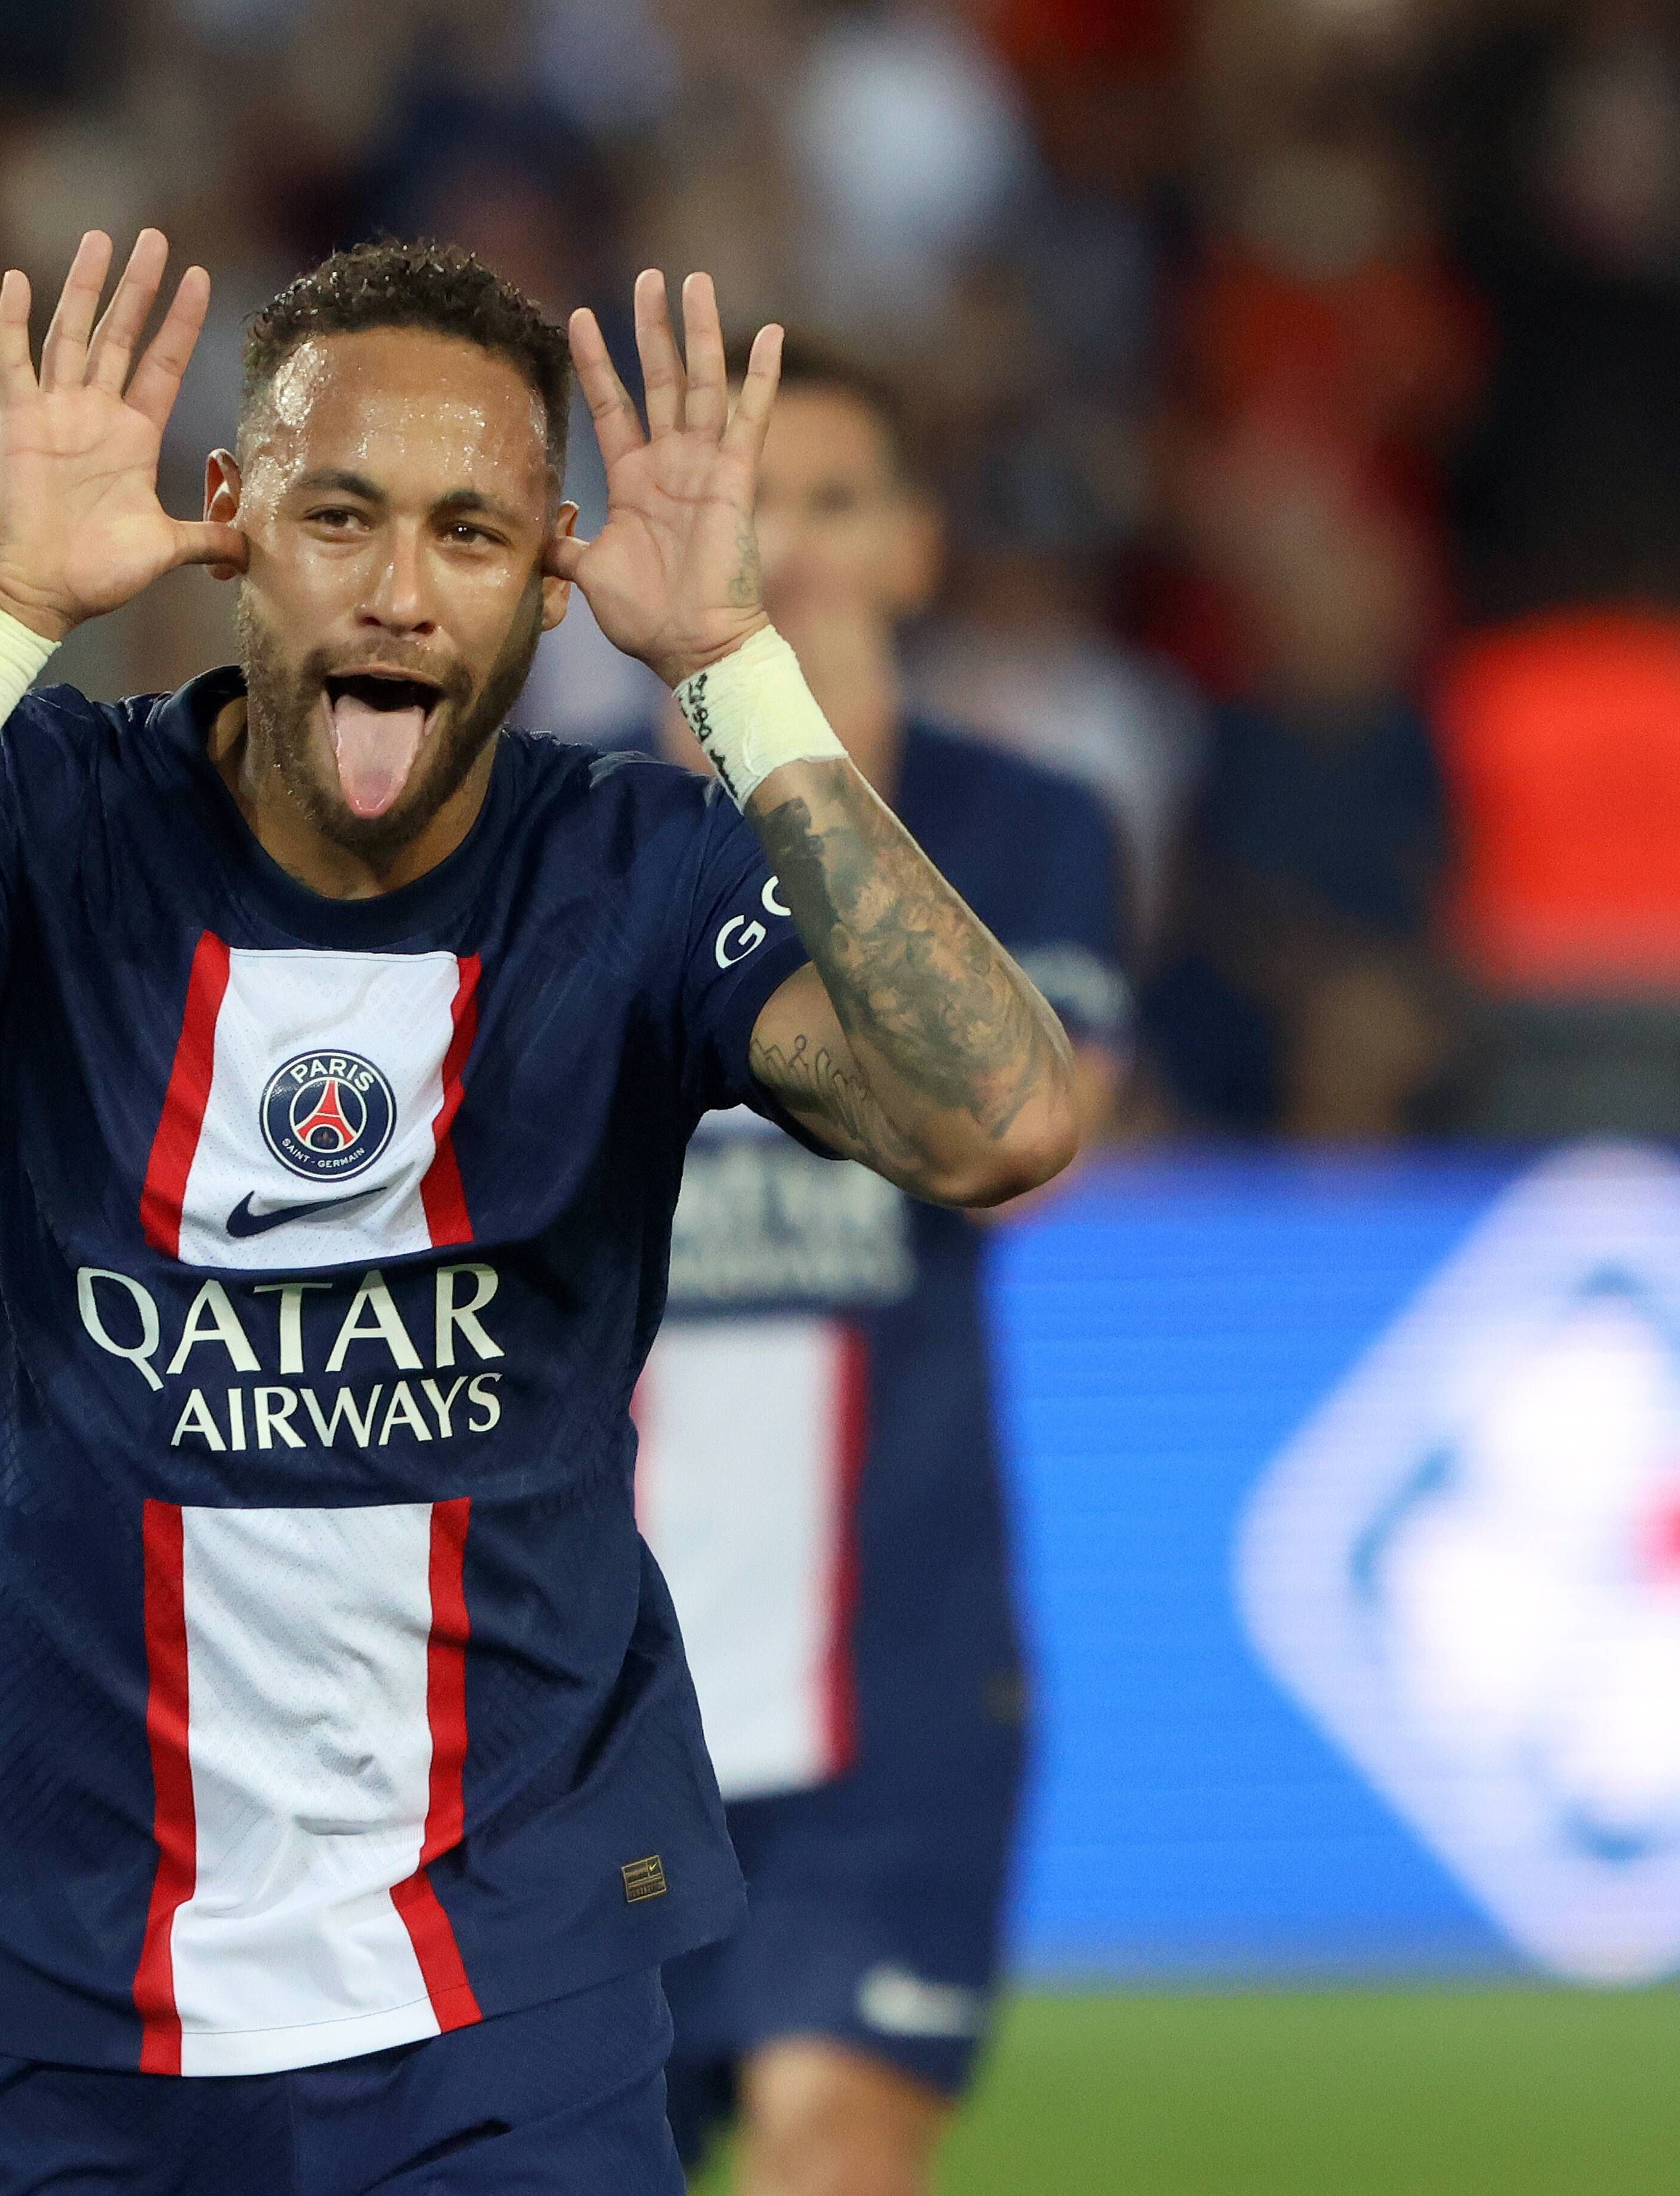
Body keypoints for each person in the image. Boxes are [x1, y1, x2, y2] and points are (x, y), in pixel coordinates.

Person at [0, 230, 1080, 2190]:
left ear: (551, 569)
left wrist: (739, 674)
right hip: (35, 1979)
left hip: (498, 1996)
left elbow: (996, 1121)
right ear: (229, 521)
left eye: (469, 534)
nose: (398, 591)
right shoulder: (49, 821)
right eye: (339, 517)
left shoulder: (634, 876)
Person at [609, 352, 1129, 2196]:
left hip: (890, 1674)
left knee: (835, 2156)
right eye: (746, 505)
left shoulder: (1024, 828)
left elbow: (1027, 1152)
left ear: (912, 547)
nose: (793, 551)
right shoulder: (567, 831)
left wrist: (805, 763)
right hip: (583, 1692)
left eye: (832, 503)